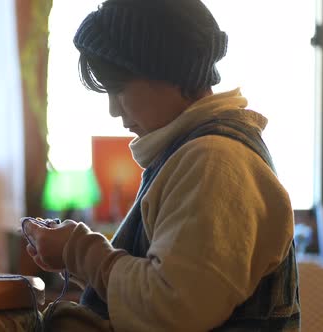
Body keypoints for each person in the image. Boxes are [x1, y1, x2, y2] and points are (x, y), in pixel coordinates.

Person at [22, 0, 300, 331]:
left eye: (119, 88)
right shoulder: (192, 154)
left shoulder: (213, 161)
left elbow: (173, 308)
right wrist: (73, 256)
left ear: (167, 70)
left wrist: (77, 249)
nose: (113, 110)